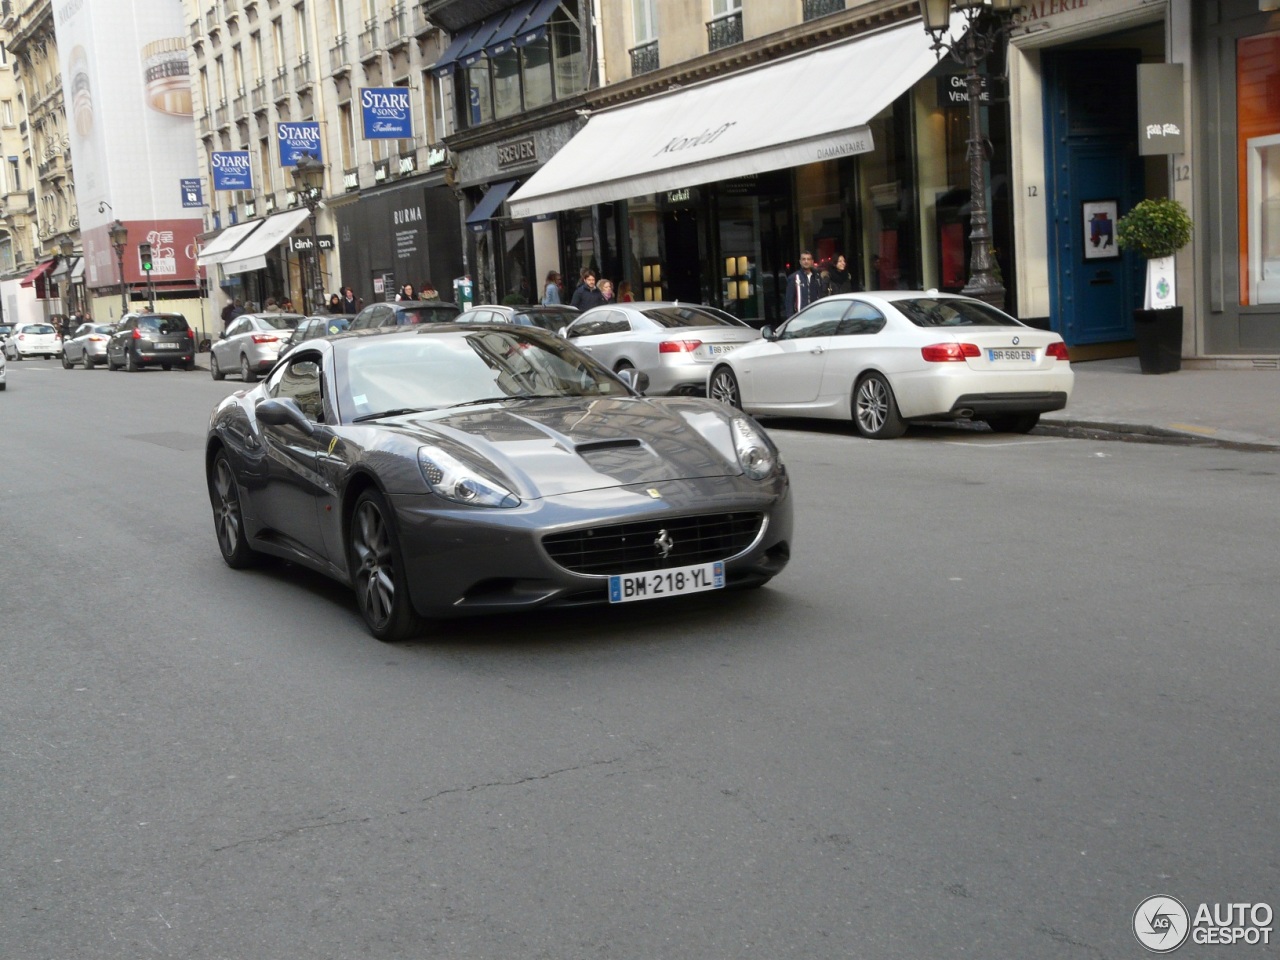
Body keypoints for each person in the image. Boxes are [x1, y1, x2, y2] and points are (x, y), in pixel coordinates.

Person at [784, 250, 825, 316]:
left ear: (812, 261)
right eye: (803, 259)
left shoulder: (817, 278)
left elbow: (821, 296)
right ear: (800, 262)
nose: (806, 261)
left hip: (816, 316)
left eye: (808, 259)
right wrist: (790, 319)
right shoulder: (794, 278)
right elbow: (789, 301)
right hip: (800, 317)